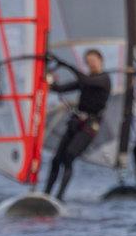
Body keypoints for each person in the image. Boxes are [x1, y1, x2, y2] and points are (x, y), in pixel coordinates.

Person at [44, 50, 111, 201]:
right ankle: (46, 194)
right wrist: (48, 79)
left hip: (90, 126)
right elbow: (60, 89)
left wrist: (65, 64)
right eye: (88, 61)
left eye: (93, 60)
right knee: (56, 159)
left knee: (68, 157)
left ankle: (59, 197)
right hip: (76, 122)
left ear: (101, 61)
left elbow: (86, 81)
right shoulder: (85, 80)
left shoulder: (104, 79)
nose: (91, 64)